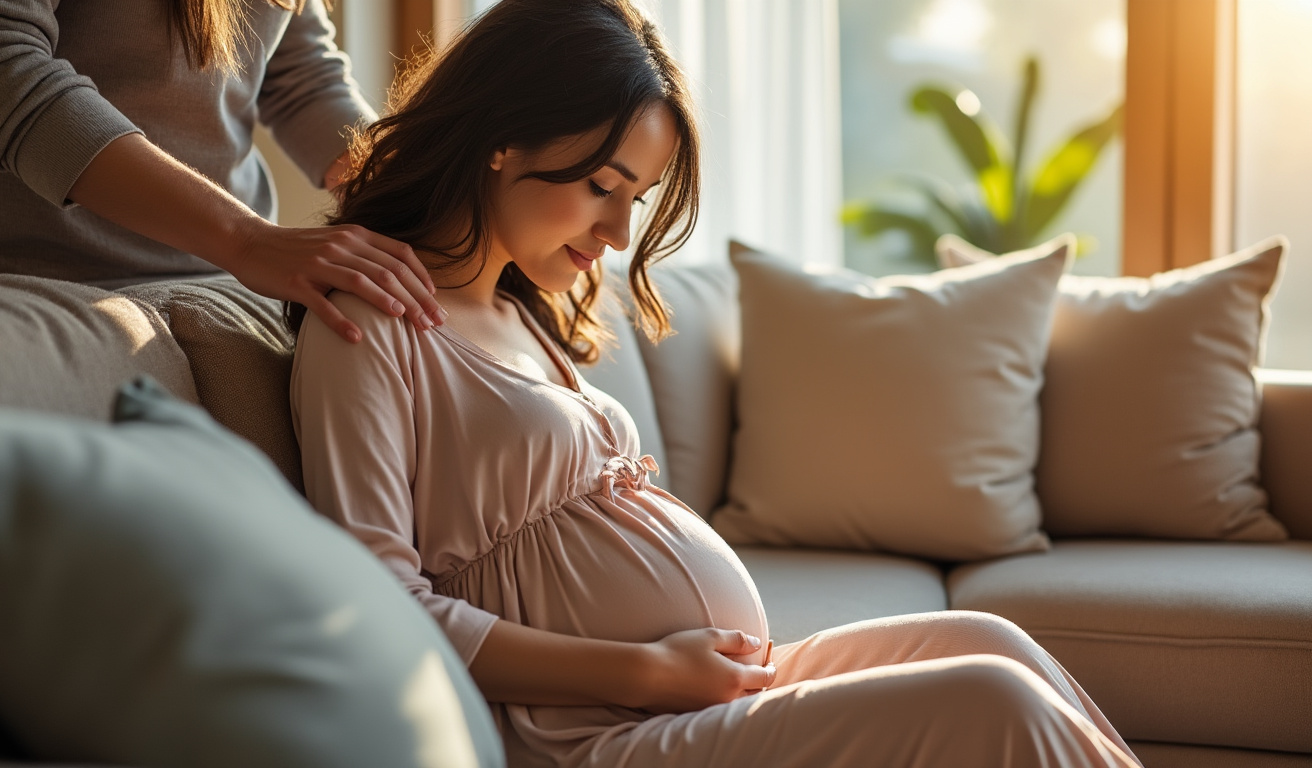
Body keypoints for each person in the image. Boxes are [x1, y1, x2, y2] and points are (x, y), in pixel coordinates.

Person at [289, 1, 1143, 765]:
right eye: (602, 187)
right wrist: (648, 668)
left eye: (639, 196)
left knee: (991, 641)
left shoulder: (523, 314)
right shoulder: (368, 328)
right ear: (502, 140)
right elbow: (382, 606)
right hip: (595, 731)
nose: (620, 234)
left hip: (685, 693)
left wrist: (675, 668)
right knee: (989, 701)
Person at [0, 0, 443, 342]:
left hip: (229, 288)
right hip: (44, 283)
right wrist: (247, 240)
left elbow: (302, 77)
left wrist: (428, 196)